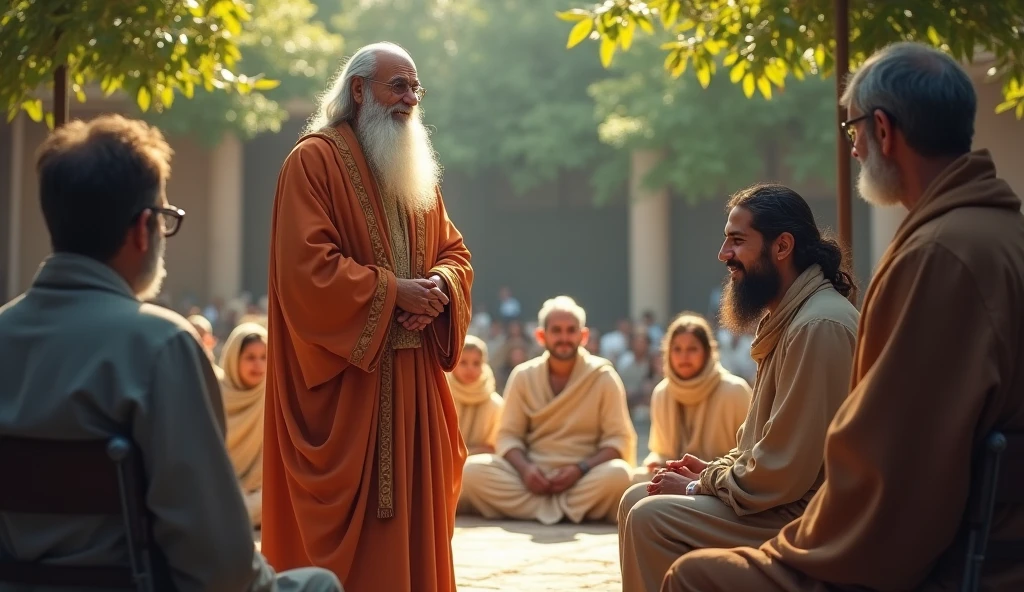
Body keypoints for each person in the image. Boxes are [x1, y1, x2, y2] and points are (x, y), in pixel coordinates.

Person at [666, 42, 1024, 592]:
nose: (852, 147)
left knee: (696, 576)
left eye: (852, 128)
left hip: (939, 554)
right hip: (968, 531)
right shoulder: (995, 234)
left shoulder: (937, 255)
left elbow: (886, 462)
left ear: (883, 129)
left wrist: (789, 544)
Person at [0, 115, 339, 591]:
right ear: (144, 229)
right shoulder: (160, 345)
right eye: (164, 220)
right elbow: (221, 568)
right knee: (319, 583)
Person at [261, 42, 473, 592]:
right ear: (358, 90)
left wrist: (438, 289)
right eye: (397, 85)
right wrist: (393, 293)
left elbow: (454, 253)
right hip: (351, 392)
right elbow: (306, 271)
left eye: (415, 87)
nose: (410, 98)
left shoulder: (414, 169)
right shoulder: (312, 160)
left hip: (414, 391)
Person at [618, 183, 860, 592]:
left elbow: (785, 472)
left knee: (650, 518)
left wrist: (702, 483)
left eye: (737, 241)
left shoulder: (819, 325)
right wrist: (716, 471)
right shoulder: (793, 317)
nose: (723, 255)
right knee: (634, 498)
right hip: (778, 501)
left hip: (811, 519)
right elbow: (763, 448)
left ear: (782, 246)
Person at [459, 296, 636, 525]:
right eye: (556, 330)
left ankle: (531, 509)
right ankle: (575, 510)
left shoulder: (603, 377)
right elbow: (507, 435)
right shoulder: (523, 376)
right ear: (541, 336)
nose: (564, 338)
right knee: (472, 471)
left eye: (571, 331)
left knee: (618, 475)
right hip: (530, 478)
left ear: (583, 336)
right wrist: (526, 470)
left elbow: (619, 439)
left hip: (583, 477)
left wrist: (579, 469)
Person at [634, 312, 751, 483]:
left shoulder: (735, 390)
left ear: (708, 352)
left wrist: (704, 476)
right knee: (635, 481)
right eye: (677, 349)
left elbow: (749, 457)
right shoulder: (662, 393)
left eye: (692, 349)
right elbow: (662, 451)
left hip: (721, 483)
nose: (684, 357)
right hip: (675, 478)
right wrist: (656, 462)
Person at [219, 322, 270, 528]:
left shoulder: (273, 398)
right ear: (233, 359)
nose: (258, 365)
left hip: (258, 494)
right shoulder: (213, 392)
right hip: (219, 488)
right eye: (250, 357)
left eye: (264, 357)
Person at [447, 335, 504, 457]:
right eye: (463, 362)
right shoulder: (441, 397)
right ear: (452, 364)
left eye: (476, 363)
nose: (470, 369)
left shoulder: (495, 404)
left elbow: (496, 448)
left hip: (479, 467)